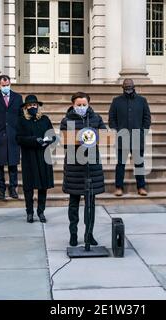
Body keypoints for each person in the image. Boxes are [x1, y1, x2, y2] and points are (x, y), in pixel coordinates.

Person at [60, 92, 107, 247]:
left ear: (88, 104)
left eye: (84, 104)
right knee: (74, 204)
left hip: (91, 166)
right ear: (73, 105)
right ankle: (73, 234)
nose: (81, 107)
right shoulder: (67, 120)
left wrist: (92, 138)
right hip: (74, 167)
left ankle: (89, 234)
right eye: (78, 105)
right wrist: (79, 140)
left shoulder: (96, 118)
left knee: (90, 204)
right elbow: (64, 141)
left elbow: (105, 135)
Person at [16, 95, 55, 223]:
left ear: (37, 106)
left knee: (43, 186)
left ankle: (41, 211)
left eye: (34, 105)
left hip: (43, 155)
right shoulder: (21, 120)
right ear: (26, 107)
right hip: (29, 157)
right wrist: (34, 140)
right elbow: (19, 138)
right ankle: (30, 212)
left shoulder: (45, 119)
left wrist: (48, 140)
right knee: (29, 187)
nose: (32, 107)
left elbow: (52, 134)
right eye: (30, 105)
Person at [108, 78, 151, 197]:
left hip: (138, 136)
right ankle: (118, 187)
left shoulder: (142, 101)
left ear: (134, 86)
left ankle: (141, 187)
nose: (128, 88)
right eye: (126, 86)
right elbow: (112, 118)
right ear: (122, 87)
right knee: (120, 164)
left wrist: (143, 131)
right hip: (122, 138)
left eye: (130, 86)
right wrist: (116, 131)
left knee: (139, 163)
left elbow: (147, 118)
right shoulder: (116, 101)